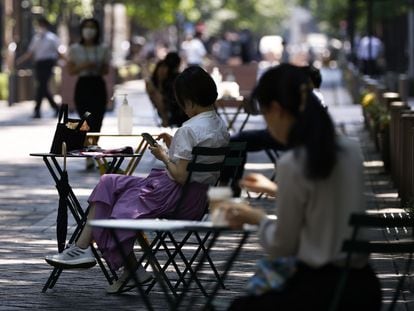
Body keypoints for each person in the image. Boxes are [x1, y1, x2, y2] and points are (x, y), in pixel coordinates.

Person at [44, 66, 230, 293]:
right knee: (109, 181)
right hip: (199, 199)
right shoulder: (220, 127)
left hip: (176, 196)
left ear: (189, 101)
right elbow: (195, 166)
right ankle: (84, 248)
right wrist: (174, 148)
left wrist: (162, 155)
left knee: (120, 204)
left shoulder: (189, 130)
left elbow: (180, 176)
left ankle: (115, 261)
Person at [220, 64, 382, 310]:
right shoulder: (350, 150)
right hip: (364, 287)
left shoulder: (293, 163)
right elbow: (325, 202)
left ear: (276, 110)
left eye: (265, 115)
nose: (268, 126)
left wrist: (257, 218)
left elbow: (283, 244)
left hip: (320, 290)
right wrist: (276, 190)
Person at [220, 65, 323, 197]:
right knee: (239, 141)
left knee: (236, 141)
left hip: (291, 138)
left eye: (266, 112)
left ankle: (229, 183)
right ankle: (233, 183)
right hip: (299, 139)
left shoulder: (307, 96)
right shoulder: (315, 97)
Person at [66, 18, 110, 135]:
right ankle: (85, 146)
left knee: (97, 119)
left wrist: (97, 67)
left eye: (92, 27)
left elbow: (106, 70)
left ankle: (93, 145)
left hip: (98, 85)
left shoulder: (103, 48)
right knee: (85, 119)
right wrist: (84, 66)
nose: (89, 30)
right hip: (83, 85)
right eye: (86, 27)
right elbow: (70, 70)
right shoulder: (74, 49)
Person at [16, 16, 61, 119]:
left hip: (48, 64)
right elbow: (30, 52)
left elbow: (59, 52)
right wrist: (20, 60)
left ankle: (37, 111)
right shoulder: (36, 38)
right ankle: (55, 108)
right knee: (42, 87)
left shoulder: (52, 38)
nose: (40, 27)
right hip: (39, 64)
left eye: (41, 25)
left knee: (42, 86)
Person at [145, 52, 188, 127]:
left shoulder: (174, 80)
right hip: (171, 115)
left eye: (166, 67)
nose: (163, 71)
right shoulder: (157, 83)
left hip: (177, 115)